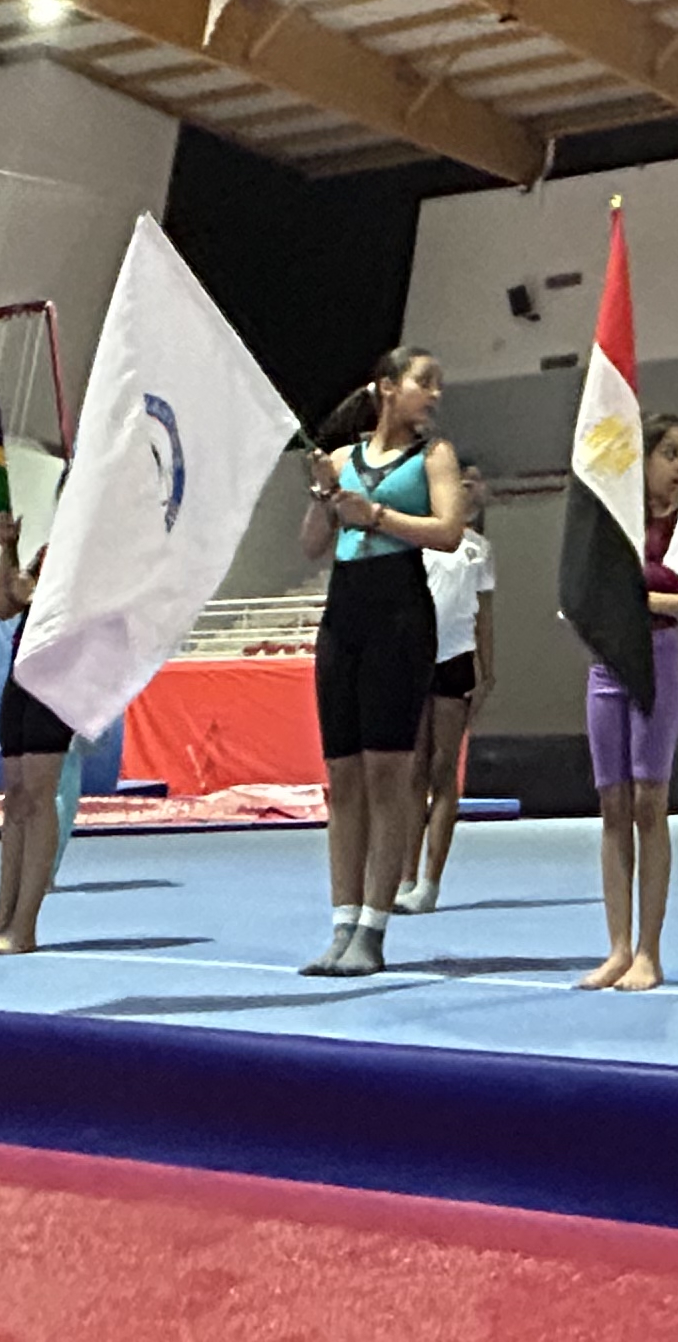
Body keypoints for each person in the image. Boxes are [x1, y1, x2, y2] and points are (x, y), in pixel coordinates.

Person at [297, 347, 468, 979]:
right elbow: (313, 545)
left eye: (438, 384)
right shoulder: (344, 459)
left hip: (400, 613)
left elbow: (449, 531)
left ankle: (373, 928)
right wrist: (323, 496)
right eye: (426, 382)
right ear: (388, 388)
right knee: (342, 779)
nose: (436, 394)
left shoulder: (434, 457)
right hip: (344, 616)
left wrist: (375, 515)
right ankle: (341, 923)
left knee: (387, 776)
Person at [581, 413, 678, 990]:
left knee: (648, 803)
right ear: (641, 460)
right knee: (612, 805)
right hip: (608, 665)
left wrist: (649, 601)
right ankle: (617, 947)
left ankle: (649, 953)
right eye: (670, 454)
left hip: (658, 660)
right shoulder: (614, 525)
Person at [0, 512, 72, 956]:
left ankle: (24, 927)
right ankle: (3, 918)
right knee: (15, 794)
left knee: (39, 792)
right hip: (22, 671)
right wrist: (7, 547)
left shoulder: (90, 555)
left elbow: (46, 599)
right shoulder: (48, 552)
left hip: (58, 673)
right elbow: (4, 605)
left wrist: (35, 590)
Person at [401, 513, 496, 916]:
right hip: (413, 659)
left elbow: (485, 614)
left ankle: (430, 882)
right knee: (413, 770)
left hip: (455, 659)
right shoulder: (416, 541)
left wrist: (488, 671)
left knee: (443, 770)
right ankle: (404, 876)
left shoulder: (479, 549)